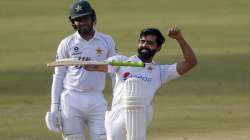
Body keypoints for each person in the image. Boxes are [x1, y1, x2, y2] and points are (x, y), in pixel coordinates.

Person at [84, 27, 197, 140]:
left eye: (150, 43)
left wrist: (180, 39)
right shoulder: (122, 61)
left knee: (140, 111)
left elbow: (190, 62)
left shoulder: (160, 71)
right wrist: (86, 62)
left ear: (158, 48)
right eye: (142, 41)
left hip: (140, 111)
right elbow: (95, 66)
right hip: (117, 115)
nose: (144, 45)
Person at [45, 0, 118, 140]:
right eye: (78, 19)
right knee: (73, 137)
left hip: (96, 98)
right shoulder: (66, 43)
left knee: (103, 137)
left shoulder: (107, 41)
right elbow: (58, 76)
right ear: (73, 22)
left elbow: (115, 71)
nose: (82, 22)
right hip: (71, 99)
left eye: (85, 18)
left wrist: (117, 101)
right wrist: (54, 106)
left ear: (92, 17)